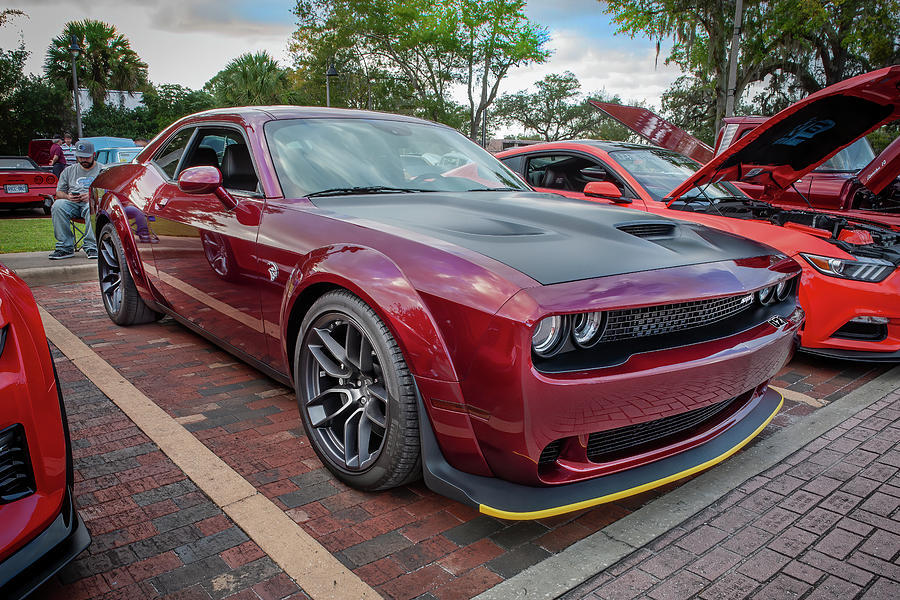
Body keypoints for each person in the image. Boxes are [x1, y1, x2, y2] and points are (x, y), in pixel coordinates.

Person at [49, 141, 103, 260]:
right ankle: (65, 248)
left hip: (92, 204)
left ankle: (92, 247)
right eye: (80, 157)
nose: (83, 160)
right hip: (72, 203)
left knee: (91, 205)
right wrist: (68, 197)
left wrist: (91, 196)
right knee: (58, 205)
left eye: (86, 157)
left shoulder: (103, 170)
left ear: (94, 154)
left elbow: (108, 193)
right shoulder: (68, 170)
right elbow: (59, 192)